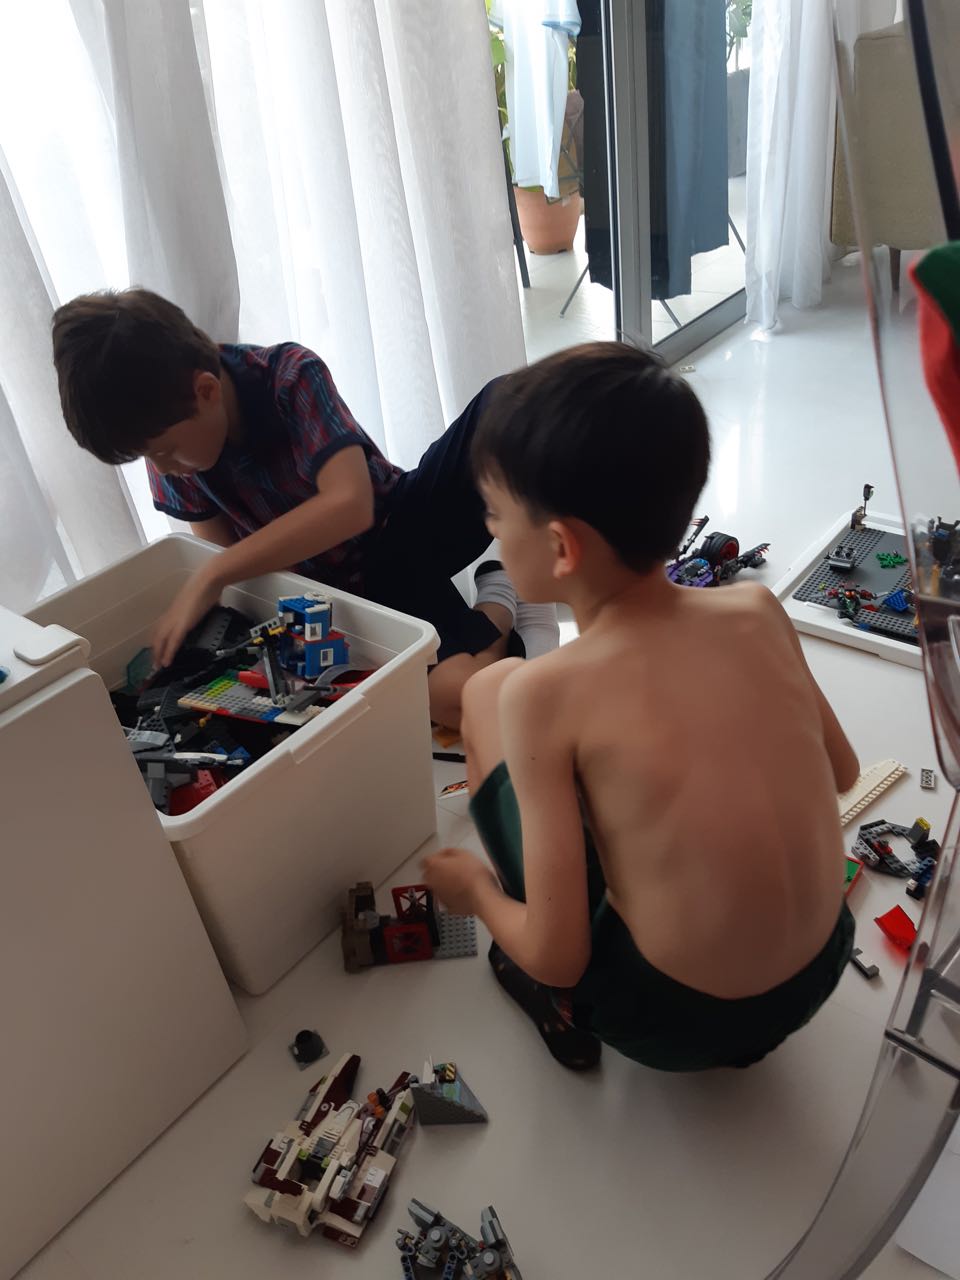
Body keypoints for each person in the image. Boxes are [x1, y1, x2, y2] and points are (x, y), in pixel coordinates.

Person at [422, 343, 859, 1071]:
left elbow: (559, 957)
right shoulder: (756, 609)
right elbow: (841, 773)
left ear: (561, 547)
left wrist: (475, 892)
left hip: (674, 1024)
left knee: (483, 692)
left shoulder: (543, 693)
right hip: (823, 965)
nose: (490, 531)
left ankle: (560, 1009)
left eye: (494, 514)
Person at [50, 288, 558, 729]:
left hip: (400, 523)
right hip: (347, 593)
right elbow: (236, 570)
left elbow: (351, 505)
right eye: (148, 457)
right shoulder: (177, 455)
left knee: (510, 401)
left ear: (206, 392)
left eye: (164, 451)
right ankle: (501, 594)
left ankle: (504, 594)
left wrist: (212, 574)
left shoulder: (290, 376)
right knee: (459, 699)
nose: (162, 468)